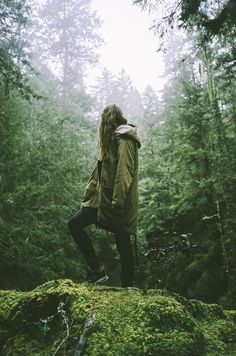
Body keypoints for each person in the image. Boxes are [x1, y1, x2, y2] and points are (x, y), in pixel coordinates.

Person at [68, 104, 141, 287]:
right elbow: (100, 175)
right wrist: (89, 198)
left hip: (117, 202)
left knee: (122, 242)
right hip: (105, 201)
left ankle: (126, 287)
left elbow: (124, 172)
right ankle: (100, 272)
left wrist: (118, 202)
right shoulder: (113, 141)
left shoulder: (124, 140)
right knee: (77, 224)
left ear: (108, 121)